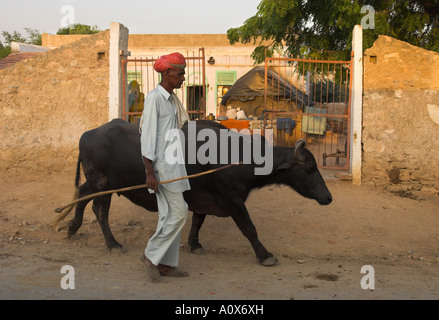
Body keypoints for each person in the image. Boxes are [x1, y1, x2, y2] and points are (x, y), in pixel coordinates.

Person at [139, 52, 191, 281]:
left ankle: (166, 264)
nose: (183, 78)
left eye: (183, 74)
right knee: (179, 212)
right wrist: (150, 172)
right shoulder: (154, 99)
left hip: (175, 165)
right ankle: (151, 256)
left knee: (169, 215)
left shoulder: (171, 100)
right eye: (180, 74)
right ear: (168, 73)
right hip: (163, 168)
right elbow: (147, 136)